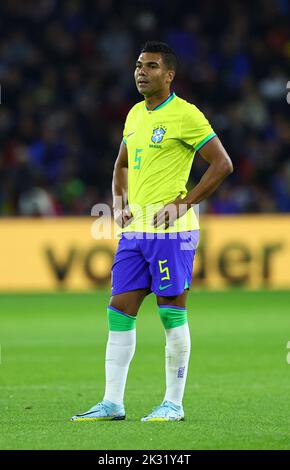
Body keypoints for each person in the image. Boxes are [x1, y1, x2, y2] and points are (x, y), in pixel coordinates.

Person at [71, 41, 233, 422]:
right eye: (139, 65)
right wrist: (118, 199)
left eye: (152, 66)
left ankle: (173, 405)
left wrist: (183, 203)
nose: (141, 72)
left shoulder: (186, 115)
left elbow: (223, 164)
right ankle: (112, 403)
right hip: (135, 234)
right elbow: (121, 165)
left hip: (172, 235)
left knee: (171, 313)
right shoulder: (133, 115)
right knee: (118, 311)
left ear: (169, 75)